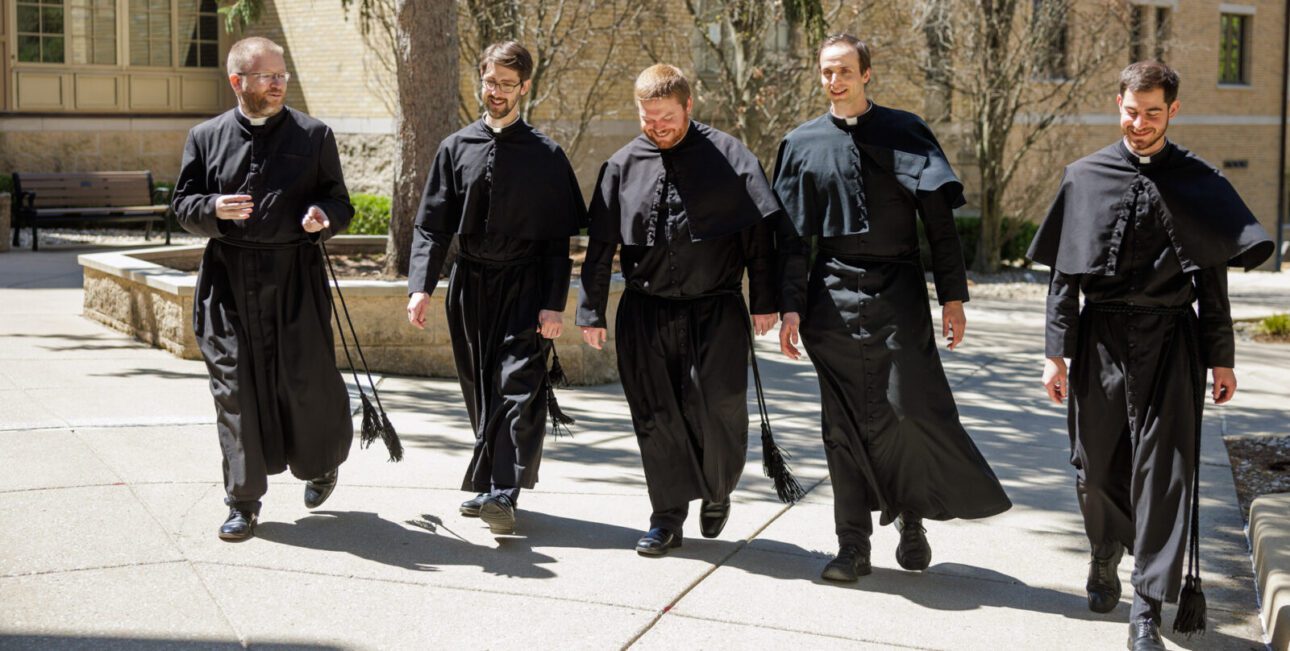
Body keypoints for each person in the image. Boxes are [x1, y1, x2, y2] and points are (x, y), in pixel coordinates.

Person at [1029, 60, 1272, 650]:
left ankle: (1146, 605)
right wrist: (1054, 354)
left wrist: (1222, 358)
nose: (1140, 124)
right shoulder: (1083, 177)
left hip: (1171, 340)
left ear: (1173, 111)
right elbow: (1064, 278)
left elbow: (1213, 282)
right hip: (1101, 338)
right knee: (1095, 465)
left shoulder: (1200, 181)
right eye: (1131, 112)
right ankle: (1105, 550)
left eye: (1153, 113)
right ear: (1119, 103)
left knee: (1165, 475)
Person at [772, 34, 1012, 582]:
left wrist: (953, 296)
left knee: (905, 413)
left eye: (845, 71)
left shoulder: (907, 131)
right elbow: (789, 241)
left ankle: (910, 516)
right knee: (842, 426)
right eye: (827, 72)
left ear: (867, 74)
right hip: (828, 296)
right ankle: (852, 545)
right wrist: (789, 309)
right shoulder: (800, 143)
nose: (835, 81)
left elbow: (941, 227)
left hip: (899, 291)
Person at [577, 64, 800, 557]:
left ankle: (717, 488)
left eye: (667, 118)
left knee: (717, 407)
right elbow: (600, 247)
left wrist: (764, 300)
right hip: (645, 311)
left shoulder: (730, 156)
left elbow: (759, 237)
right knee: (656, 418)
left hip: (715, 309)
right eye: (648, 118)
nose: (657, 127)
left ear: (688, 106)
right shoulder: (620, 165)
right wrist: (590, 311)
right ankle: (666, 518)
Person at [173, 37, 355, 541]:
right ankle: (243, 501)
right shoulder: (205, 137)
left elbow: (339, 200)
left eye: (282, 76)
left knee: (305, 381)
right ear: (238, 82)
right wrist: (211, 209)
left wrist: (324, 216)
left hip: (295, 278)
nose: (277, 84)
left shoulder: (314, 134)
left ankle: (320, 465)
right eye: (266, 76)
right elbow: (182, 204)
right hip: (228, 283)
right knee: (234, 390)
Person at [406, 41, 586, 536]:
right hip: (469, 286)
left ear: (525, 87)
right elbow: (431, 227)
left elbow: (556, 242)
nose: (498, 92)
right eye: (491, 82)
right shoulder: (454, 147)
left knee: (517, 386)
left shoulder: (546, 155)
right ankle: (490, 482)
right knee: (480, 386)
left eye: (508, 84)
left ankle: (505, 491)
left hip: (525, 285)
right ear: (480, 81)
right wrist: (420, 286)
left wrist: (554, 304)